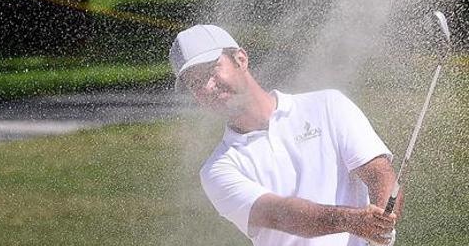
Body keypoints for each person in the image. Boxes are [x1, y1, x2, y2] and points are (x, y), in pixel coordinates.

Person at [169, 24, 400, 246]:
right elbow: (281, 215)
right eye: (195, 83)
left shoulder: (328, 105)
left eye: (211, 71)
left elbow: (379, 173)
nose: (207, 87)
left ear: (240, 59)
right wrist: (355, 222)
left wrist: (382, 221)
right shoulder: (217, 170)